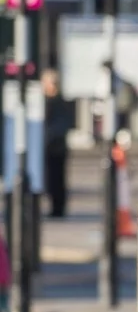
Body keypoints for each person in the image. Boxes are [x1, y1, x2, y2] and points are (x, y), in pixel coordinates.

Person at [42, 70, 74, 218]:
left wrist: (50, 135)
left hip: (56, 147)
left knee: (57, 179)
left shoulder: (59, 102)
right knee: (49, 178)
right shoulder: (42, 101)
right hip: (46, 146)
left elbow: (62, 124)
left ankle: (58, 208)